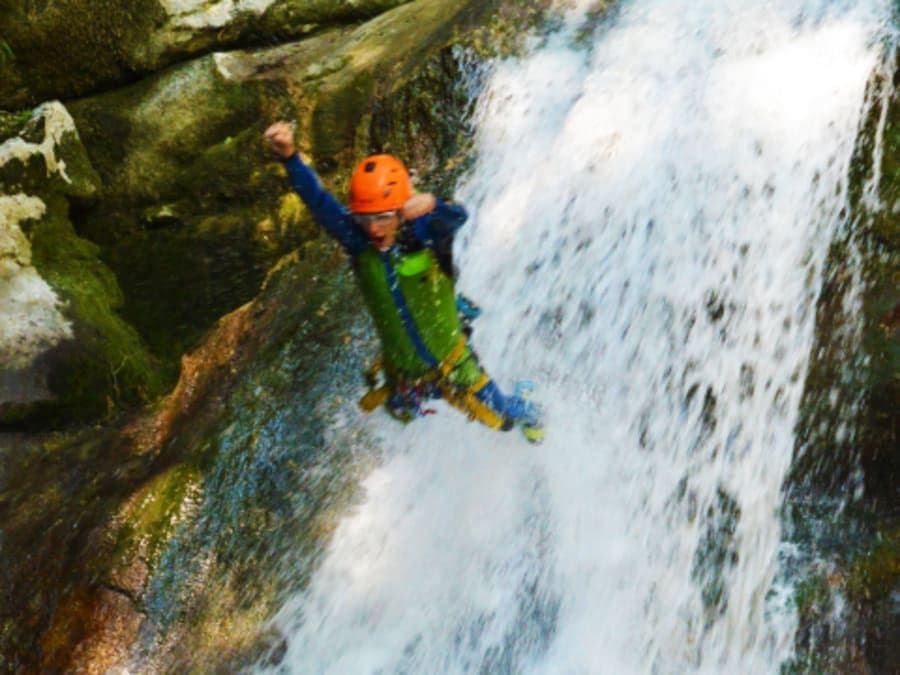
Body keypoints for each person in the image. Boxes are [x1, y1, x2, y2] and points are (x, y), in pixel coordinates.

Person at [264, 121, 543, 443]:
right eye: (365, 219)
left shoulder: (425, 236)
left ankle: (529, 408)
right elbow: (318, 202)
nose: (374, 229)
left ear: (401, 212)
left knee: (503, 418)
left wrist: (434, 204)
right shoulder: (358, 244)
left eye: (383, 217)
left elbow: (458, 218)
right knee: (399, 414)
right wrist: (290, 158)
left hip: (452, 367)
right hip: (406, 376)